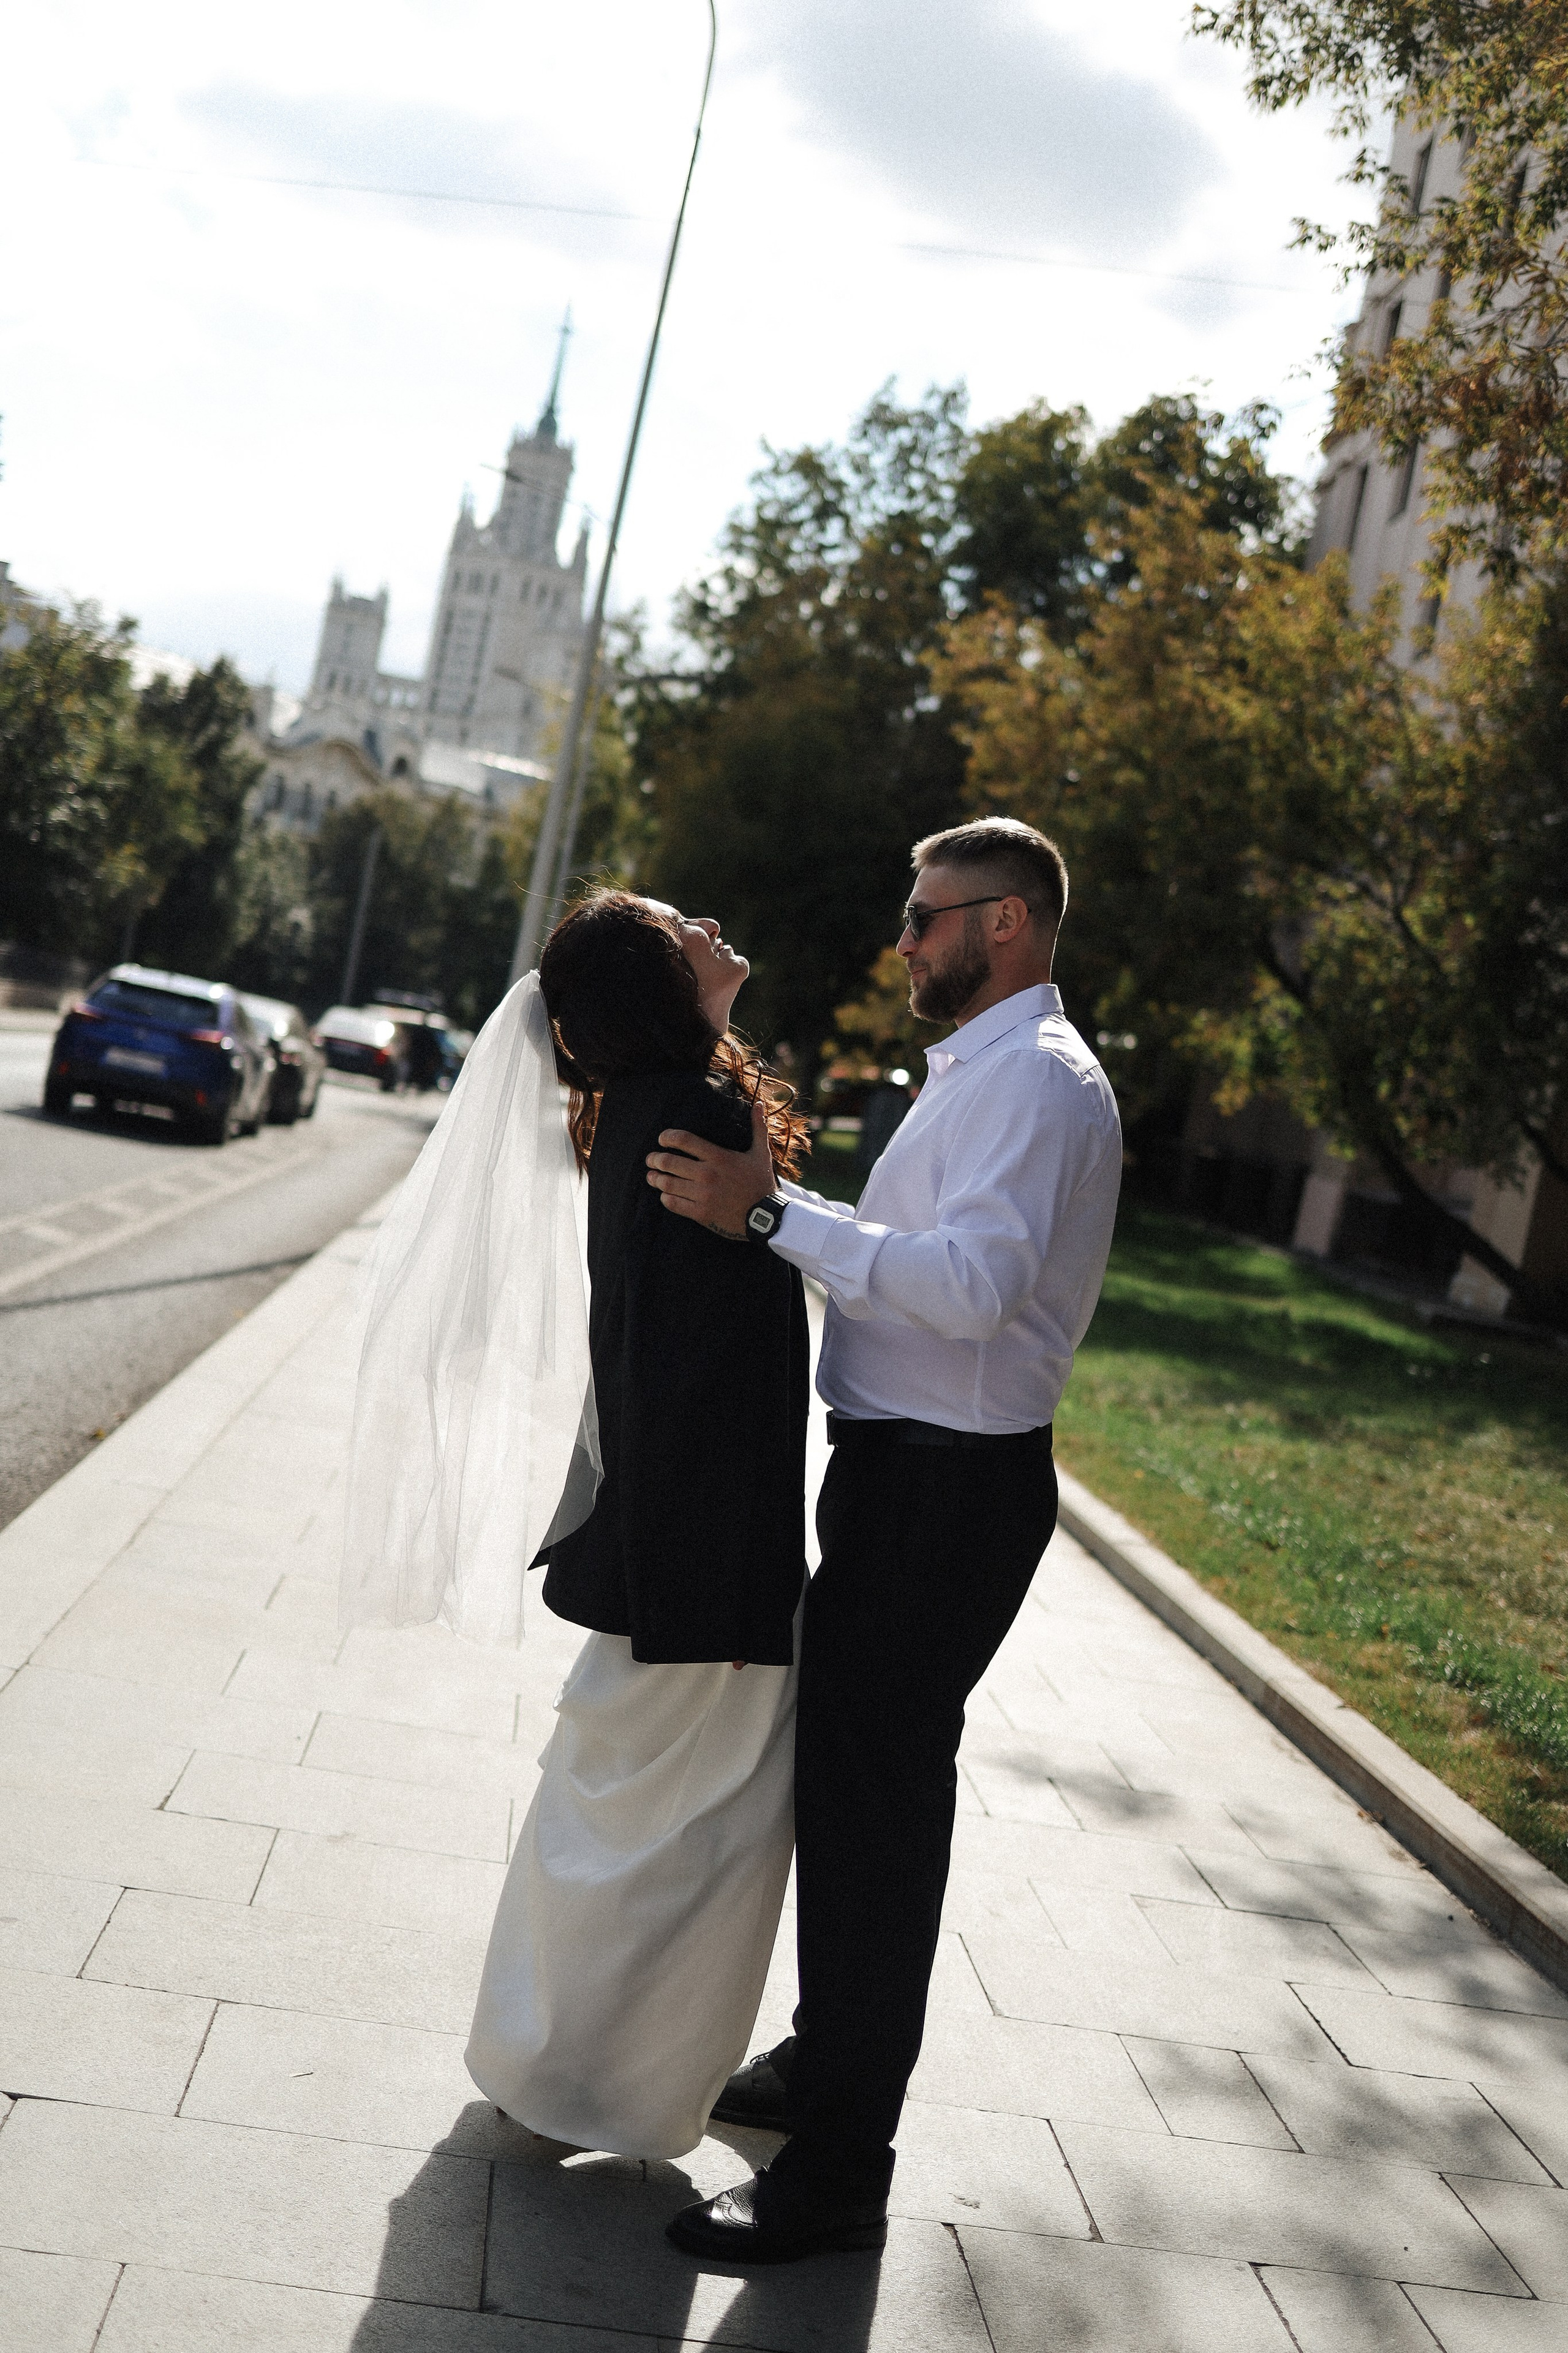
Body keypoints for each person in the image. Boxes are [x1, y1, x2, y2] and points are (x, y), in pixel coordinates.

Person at [646, 817, 1121, 2262]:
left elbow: (970, 1288)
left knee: (873, 1824)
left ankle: (841, 2172)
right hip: (907, 1479)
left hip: (944, 1493)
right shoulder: (983, 1068)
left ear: (1005, 923)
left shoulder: (1034, 1081)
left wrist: (766, 1219)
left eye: (926, 917)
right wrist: (775, 1207)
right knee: (850, 1804)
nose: (902, 940)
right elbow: (910, 1247)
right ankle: (822, 2067)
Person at [342, 889, 811, 2162]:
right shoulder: (693, 1115)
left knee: (621, 1814)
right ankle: (591, 2085)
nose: (711, 927)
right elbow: (692, 1381)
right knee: (686, 1841)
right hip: (703, 1557)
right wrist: (723, 1589)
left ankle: (546, 2061)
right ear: (656, 985)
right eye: (681, 929)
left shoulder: (648, 1107)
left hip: (676, 1543)